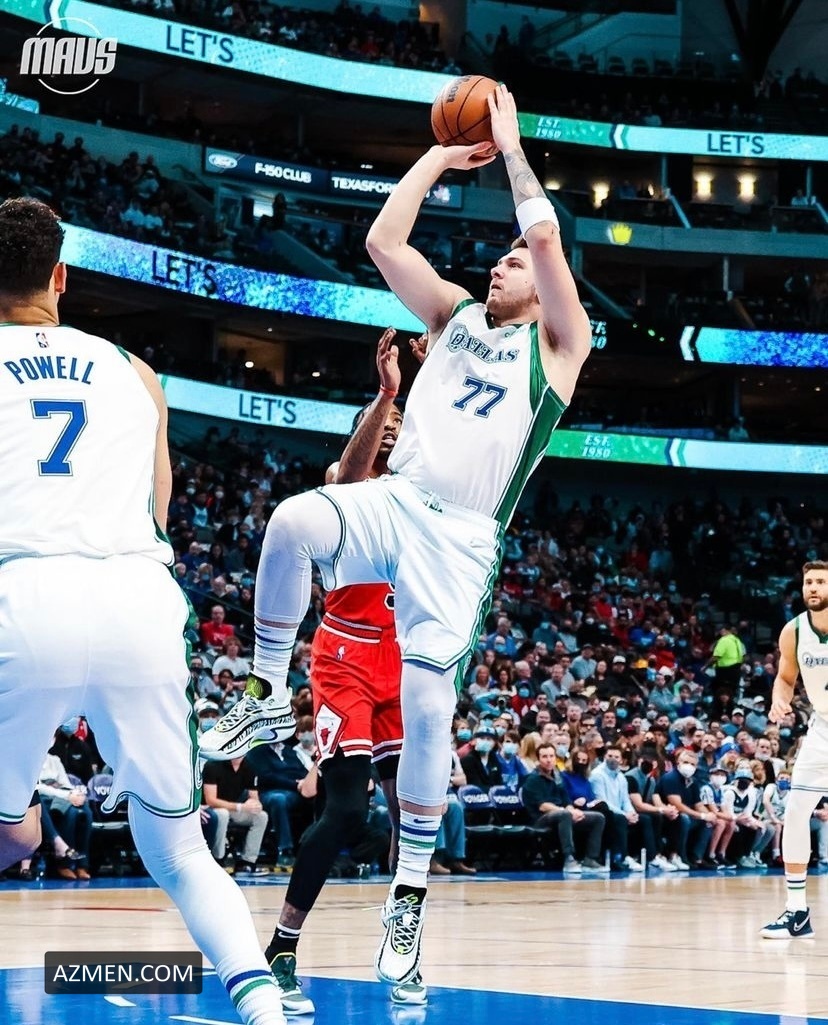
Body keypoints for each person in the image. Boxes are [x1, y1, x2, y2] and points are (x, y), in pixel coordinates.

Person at [200, 83, 591, 988]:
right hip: (400, 499)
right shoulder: (451, 316)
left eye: (513, 263)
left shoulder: (560, 348)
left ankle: (408, 892)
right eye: (497, 259)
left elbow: (544, 239)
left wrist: (511, 147)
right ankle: (264, 688)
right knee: (292, 519)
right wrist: (442, 157)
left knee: (427, 710)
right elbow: (383, 241)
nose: (501, 266)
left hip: (462, 542)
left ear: (543, 290)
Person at [0, 198, 285, 1025]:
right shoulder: (134, 370)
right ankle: (265, 1009)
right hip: (135, 597)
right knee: (181, 849)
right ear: (61, 276)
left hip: (22, 594)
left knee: (12, 835)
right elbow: (158, 510)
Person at [258, 329, 430, 1013]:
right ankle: (281, 947)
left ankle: (403, 948)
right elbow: (350, 476)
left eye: (397, 421)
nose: (389, 428)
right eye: (379, 420)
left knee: (412, 815)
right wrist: (387, 392)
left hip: (403, 658)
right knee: (349, 810)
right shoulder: (344, 485)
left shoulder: (423, 490)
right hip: (346, 655)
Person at [761, 561, 828, 939]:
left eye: (820, 582)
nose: (813, 587)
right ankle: (797, 911)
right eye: (808, 582)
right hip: (822, 729)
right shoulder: (794, 630)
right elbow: (786, 678)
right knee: (796, 811)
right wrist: (779, 699)